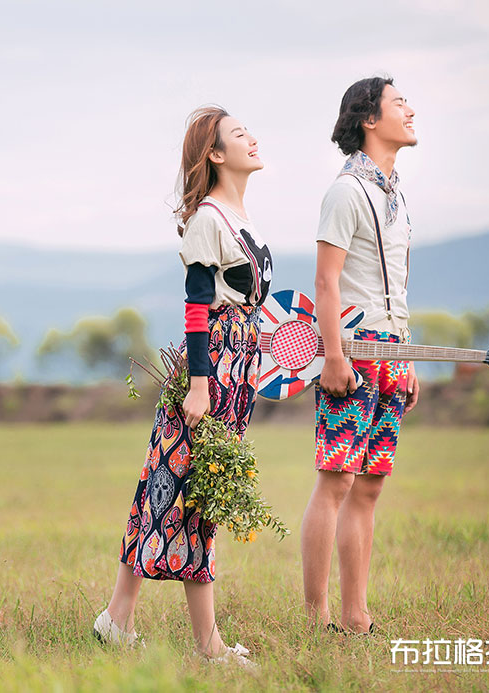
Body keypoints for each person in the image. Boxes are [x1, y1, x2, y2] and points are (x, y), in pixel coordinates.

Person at [93, 105, 272, 666]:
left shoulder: (242, 221)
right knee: (199, 494)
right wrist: (200, 386)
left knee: (166, 485)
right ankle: (208, 646)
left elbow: (251, 308)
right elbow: (198, 310)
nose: (253, 138)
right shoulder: (208, 220)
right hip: (211, 368)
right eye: (240, 134)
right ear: (215, 154)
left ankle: (115, 620)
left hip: (236, 368)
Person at [300, 76, 420, 634]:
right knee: (337, 480)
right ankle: (316, 614)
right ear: (370, 119)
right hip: (350, 351)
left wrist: (410, 356)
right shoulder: (346, 190)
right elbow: (327, 282)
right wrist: (332, 357)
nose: (411, 110)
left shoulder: (394, 194)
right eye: (400, 102)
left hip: (393, 352)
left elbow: (396, 283)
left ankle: (355, 616)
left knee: (369, 485)